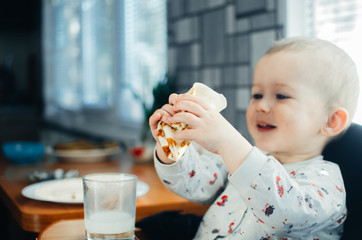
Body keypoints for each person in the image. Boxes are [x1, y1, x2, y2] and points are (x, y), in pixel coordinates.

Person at [145, 37, 359, 239]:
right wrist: (170, 144)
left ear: (331, 121)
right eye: (257, 95)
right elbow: (195, 183)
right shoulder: (243, 158)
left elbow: (286, 215)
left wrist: (228, 141)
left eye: (281, 96)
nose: (261, 106)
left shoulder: (326, 182)